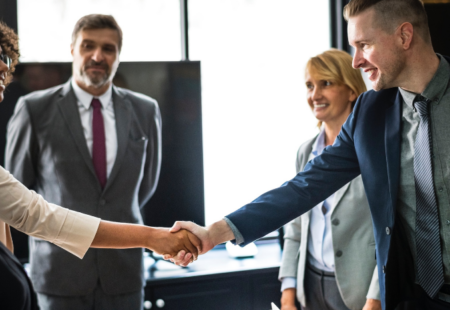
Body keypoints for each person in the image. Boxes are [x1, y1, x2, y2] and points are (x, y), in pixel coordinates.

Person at [169, 0, 450, 309]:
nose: (356, 61)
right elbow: (304, 187)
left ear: (404, 36)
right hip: (412, 298)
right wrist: (214, 233)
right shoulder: (370, 113)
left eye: (364, 45)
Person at [0, 20, 198, 310]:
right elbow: (20, 201)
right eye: (88, 46)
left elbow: (146, 185)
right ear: (72, 50)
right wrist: (154, 237)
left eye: (108, 48)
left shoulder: (145, 110)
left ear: (119, 54)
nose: (97, 56)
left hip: (124, 275)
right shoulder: (34, 108)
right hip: (59, 275)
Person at [279, 49, 380, 310]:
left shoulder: (375, 152)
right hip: (310, 285)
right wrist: (288, 291)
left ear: (351, 90)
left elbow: (390, 233)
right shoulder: (305, 151)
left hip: (358, 292)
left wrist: (375, 298)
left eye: (326, 83)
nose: (315, 95)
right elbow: (296, 228)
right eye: (310, 85)